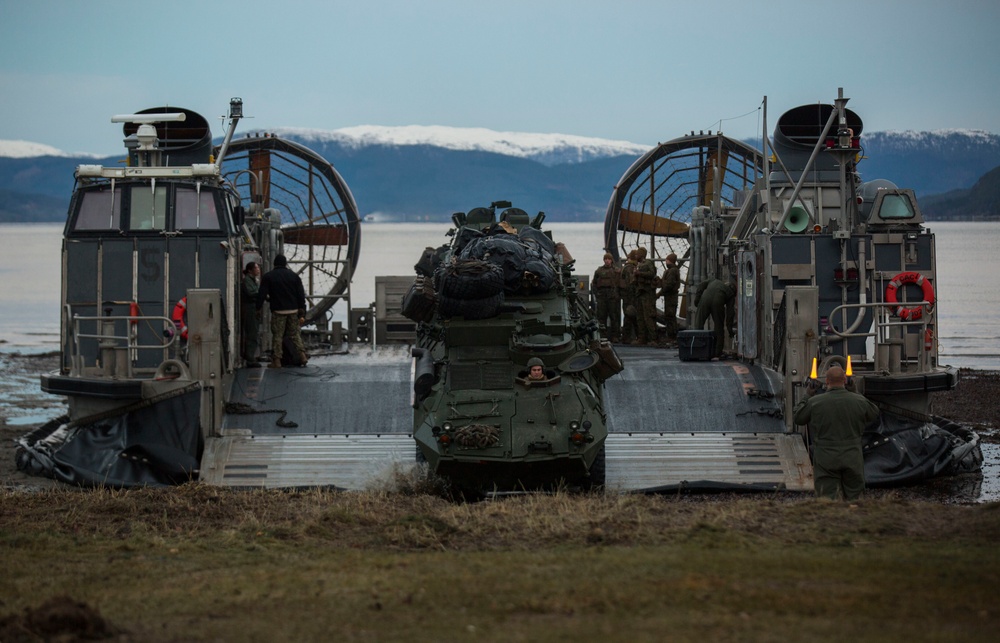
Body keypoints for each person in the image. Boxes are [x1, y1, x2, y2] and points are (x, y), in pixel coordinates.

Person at [793, 365, 880, 501]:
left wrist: (807, 395)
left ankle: (831, 519)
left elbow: (798, 417)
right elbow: (874, 413)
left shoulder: (815, 402)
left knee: (826, 499)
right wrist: (855, 392)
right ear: (845, 380)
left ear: (827, 381)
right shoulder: (858, 401)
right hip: (852, 457)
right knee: (855, 498)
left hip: (826, 457)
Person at [257, 254, 308, 368]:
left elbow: (262, 294)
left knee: (278, 336)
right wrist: (302, 311)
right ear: (285, 264)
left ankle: (277, 361)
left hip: (278, 311)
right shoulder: (294, 276)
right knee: (295, 334)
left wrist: (258, 308)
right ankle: (302, 355)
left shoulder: (268, 277)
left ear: (274, 264)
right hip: (293, 311)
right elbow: (301, 295)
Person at [694, 277, 736, 358]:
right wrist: (730, 330)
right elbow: (730, 314)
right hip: (718, 302)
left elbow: (701, 285)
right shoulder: (731, 294)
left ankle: (696, 349)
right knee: (719, 327)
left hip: (705, 299)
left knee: (698, 324)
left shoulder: (714, 280)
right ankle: (717, 352)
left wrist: (697, 299)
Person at [592, 252, 621, 342]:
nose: (607, 261)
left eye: (609, 259)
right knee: (601, 316)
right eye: (606, 259)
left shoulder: (616, 271)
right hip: (602, 296)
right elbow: (594, 283)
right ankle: (602, 335)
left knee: (614, 316)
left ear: (611, 260)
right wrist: (597, 294)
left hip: (612, 296)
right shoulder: (599, 271)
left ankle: (615, 336)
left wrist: (617, 294)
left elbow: (619, 283)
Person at [634, 246, 659, 346]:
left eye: (637, 254)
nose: (636, 256)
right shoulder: (639, 264)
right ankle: (642, 338)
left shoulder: (648, 263)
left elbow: (651, 273)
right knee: (640, 317)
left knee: (648, 316)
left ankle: (653, 338)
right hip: (641, 292)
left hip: (648, 294)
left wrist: (639, 273)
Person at [240, 261, 261, 365]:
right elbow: (251, 293)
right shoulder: (248, 281)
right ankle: (250, 357)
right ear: (250, 270)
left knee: (253, 331)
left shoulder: (252, 280)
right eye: (256, 268)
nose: (258, 270)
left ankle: (250, 355)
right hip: (250, 308)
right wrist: (261, 294)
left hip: (252, 308)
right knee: (252, 332)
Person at [658, 253, 681, 345]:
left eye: (667, 260)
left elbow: (668, 285)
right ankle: (672, 336)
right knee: (670, 316)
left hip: (671, 297)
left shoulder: (671, 271)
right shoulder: (674, 270)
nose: (665, 261)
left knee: (670, 316)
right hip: (671, 297)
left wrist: (659, 292)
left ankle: (672, 336)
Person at [619, 251, 639, 344]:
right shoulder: (630, 269)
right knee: (630, 315)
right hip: (630, 296)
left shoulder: (625, 267)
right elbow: (630, 284)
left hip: (625, 296)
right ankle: (628, 337)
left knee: (628, 316)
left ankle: (626, 337)